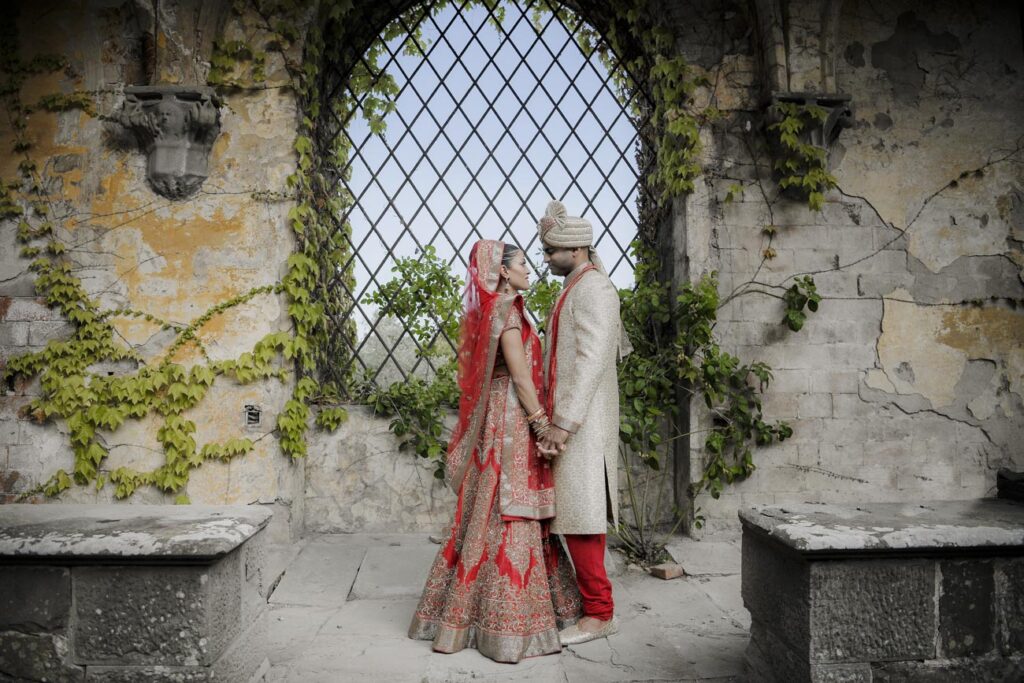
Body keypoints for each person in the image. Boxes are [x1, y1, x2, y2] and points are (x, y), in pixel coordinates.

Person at [409, 239, 582, 663]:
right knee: (507, 508)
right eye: (523, 263)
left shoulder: (505, 309)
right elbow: (521, 377)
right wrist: (543, 425)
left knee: (494, 508)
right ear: (503, 271)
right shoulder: (504, 311)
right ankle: (505, 625)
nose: (529, 268)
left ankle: (475, 617)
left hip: (504, 416)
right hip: (510, 419)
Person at [536, 200, 630, 646]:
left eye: (550, 251)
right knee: (575, 515)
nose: (546, 259)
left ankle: (600, 614)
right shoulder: (576, 285)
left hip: (582, 423)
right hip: (573, 420)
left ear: (573, 250)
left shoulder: (593, 289)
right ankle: (591, 607)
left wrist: (564, 424)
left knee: (583, 518)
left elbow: (592, 362)